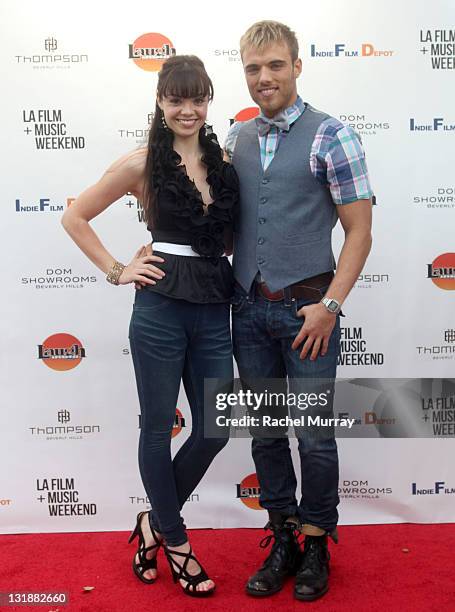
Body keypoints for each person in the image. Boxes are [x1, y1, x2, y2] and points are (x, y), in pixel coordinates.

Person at [61, 55, 238, 597]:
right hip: (160, 307)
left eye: (197, 98)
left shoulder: (225, 161)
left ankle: (152, 524)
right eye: (176, 99)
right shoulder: (141, 163)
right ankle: (178, 544)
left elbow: (229, 239)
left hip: (213, 303)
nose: (188, 109)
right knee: (158, 428)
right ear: (160, 103)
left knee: (214, 428)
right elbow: (74, 216)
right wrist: (118, 269)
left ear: (208, 100)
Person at [224, 21, 373, 601]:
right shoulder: (235, 137)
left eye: (275, 66)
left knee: (313, 436)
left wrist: (330, 307)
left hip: (308, 313)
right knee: (265, 435)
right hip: (247, 312)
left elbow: (359, 233)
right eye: (253, 69)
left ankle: (315, 542)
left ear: (297, 66)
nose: (264, 78)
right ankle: (282, 534)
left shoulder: (331, 135)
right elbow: (228, 223)